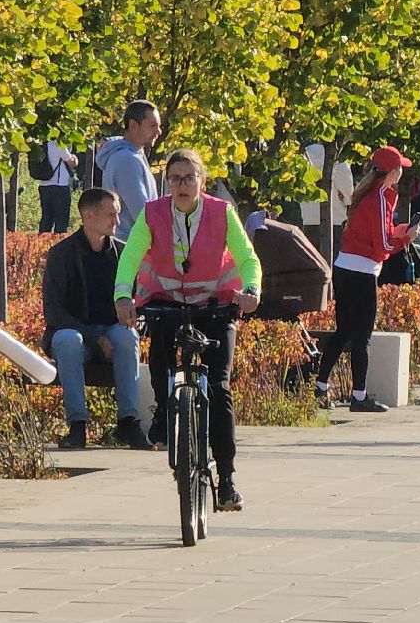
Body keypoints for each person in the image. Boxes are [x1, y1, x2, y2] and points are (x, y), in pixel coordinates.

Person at [113, 149, 262, 511]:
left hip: (216, 304)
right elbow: (130, 257)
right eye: (175, 178)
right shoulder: (152, 214)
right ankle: (164, 411)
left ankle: (226, 481)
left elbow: (247, 257)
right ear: (167, 183)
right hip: (167, 302)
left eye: (189, 178)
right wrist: (122, 295)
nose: (182, 185)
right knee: (161, 357)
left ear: (202, 182)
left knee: (219, 388)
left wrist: (251, 291)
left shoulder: (222, 212)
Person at [44, 188, 151, 450]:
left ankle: (128, 422)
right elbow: (55, 313)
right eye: (111, 215)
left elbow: (139, 299)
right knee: (68, 340)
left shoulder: (123, 254)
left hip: (112, 333)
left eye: (117, 214)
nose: (118, 221)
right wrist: (95, 337)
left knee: (127, 336)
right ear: (88, 216)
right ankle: (77, 426)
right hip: (76, 333)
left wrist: (137, 317)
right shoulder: (61, 255)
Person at [315, 147, 415, 413]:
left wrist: (400, 231)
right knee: (362, 336)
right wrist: (406, 239)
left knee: (344, 331)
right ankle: (359, 396)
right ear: (392, 172)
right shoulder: (380, 197)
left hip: (345, 267)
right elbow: (383, 245)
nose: (402, 173)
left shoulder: (366, 194)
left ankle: (321, 386)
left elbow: (378, 233)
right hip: (362, 271)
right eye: (400, 168)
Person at [97, 99, 163, 241]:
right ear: (133, 125)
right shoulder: (127, 160)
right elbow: (143, 214)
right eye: (152, 125)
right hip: (131, 245)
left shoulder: (133, 154)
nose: (159, 131)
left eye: (159, 126)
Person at [34, 137, 80, 234]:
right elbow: (72, 163)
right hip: (59, 185)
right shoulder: (58, 144)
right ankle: (59, 241)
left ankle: (42, 241)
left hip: (43, 185)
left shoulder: (39, 144)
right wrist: (74, 156)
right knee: (61, 219)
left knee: (46, 218)